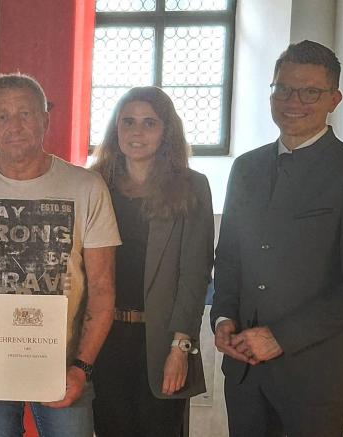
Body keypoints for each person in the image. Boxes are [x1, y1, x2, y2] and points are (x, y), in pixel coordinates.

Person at [212, 40, 343, 437]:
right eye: (283, 88)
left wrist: (281, 338)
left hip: (316, 378)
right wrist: (223, 317)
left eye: (310, 91)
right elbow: (228, 259)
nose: (294, 101)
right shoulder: (246, 168)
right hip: (244, 373)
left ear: (334, 98)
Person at [0, 73, 120, 437]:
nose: (15, 125)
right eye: (3, 116)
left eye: (25, 113)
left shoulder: (87, 187)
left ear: (45, 118)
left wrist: (82, 368)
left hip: (63, 363)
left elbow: (103, 290)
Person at [88, 86, 214, 436]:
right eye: (128, 122)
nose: (137, 132)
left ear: (166, 131)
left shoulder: (191, 186)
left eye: (149, 123)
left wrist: (181, 347)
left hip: (161, 339)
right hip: (103, 337)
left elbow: (195, 275)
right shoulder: (94, 184)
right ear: (116, 129)